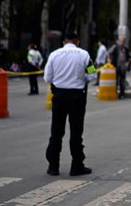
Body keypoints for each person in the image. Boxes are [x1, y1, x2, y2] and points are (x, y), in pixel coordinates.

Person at [44, 32, 96, 176]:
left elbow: (47, 77)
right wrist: (81, 79)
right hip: (77, 97)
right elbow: (92, 75)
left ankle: (53, 166)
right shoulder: (84, 55)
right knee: (76, 131)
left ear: (64, 42)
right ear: (77, 42)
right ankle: (76, 166)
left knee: (56, 131)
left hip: (59, 96)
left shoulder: (54, 55)